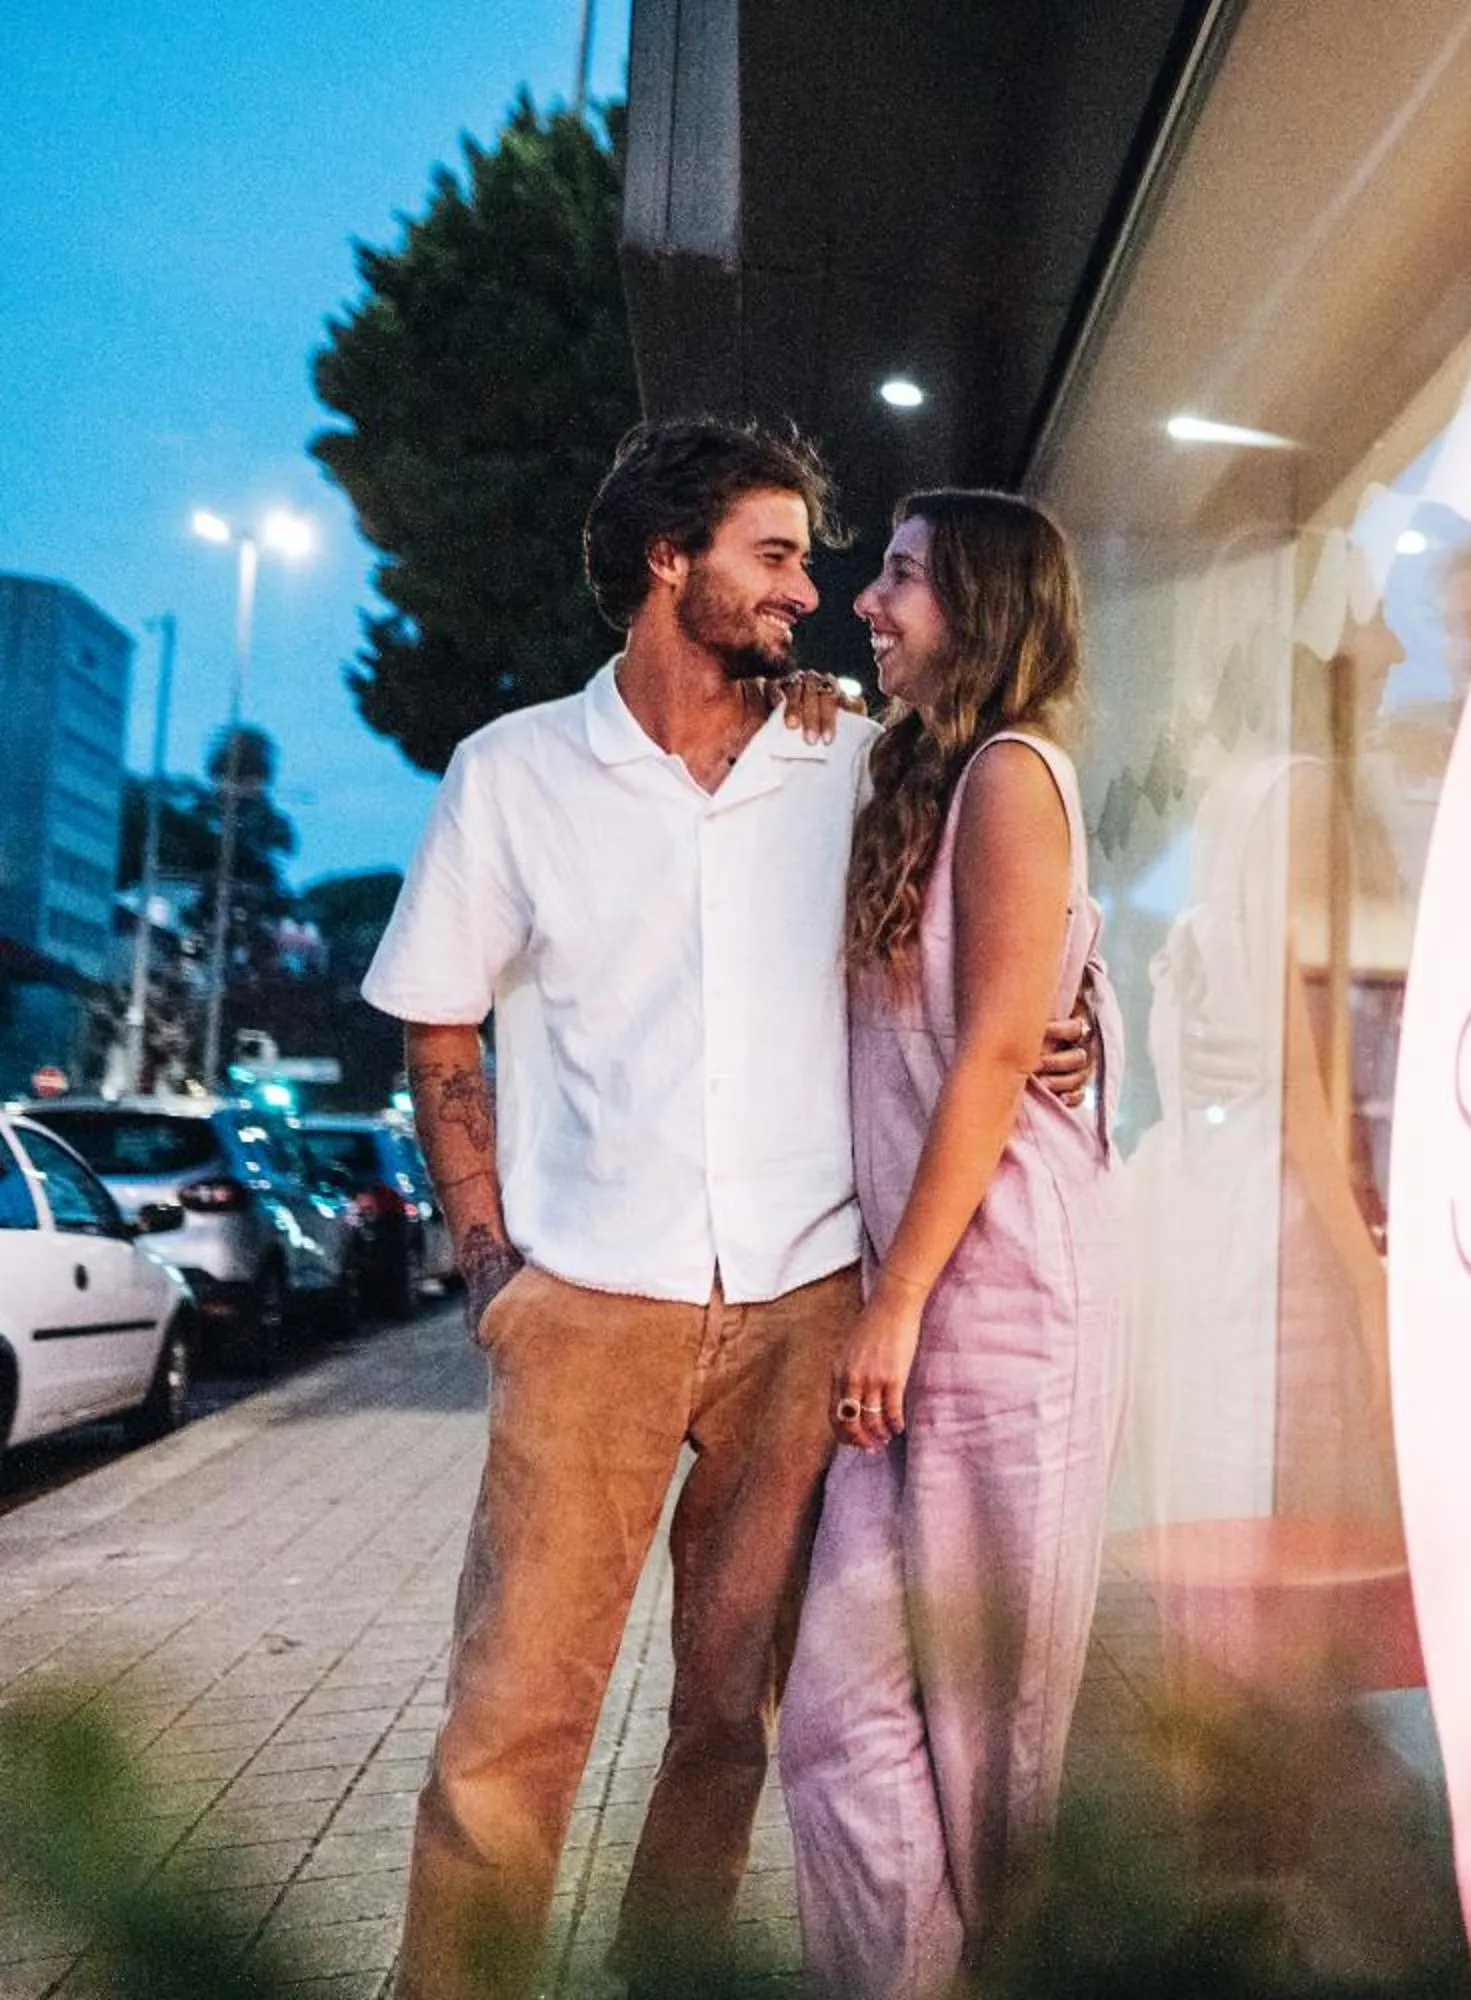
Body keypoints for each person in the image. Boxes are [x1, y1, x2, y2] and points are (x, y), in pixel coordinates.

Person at [362, 420, 1089, 1999]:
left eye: (816, 562)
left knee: (729, 1718)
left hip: (805, 1305)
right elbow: (438, 1026)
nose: (810, 592)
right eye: (775, 556)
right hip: (590, 1306)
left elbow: (984, 933)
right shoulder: (512, 772)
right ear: (665, 560)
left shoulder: (855, 754)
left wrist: (1069, 1018)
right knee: (512, 1722)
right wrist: (488, 1265)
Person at [778, 489, 1127, 1997]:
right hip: (921, 1299)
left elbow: (993, 1051)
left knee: (1000, 1751)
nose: (867, 600)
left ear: (982, 608)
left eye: (903, 577)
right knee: (836, 1717)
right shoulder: (917, 771)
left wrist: (896, 1301)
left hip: (1000, 1302)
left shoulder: (1011, 777)